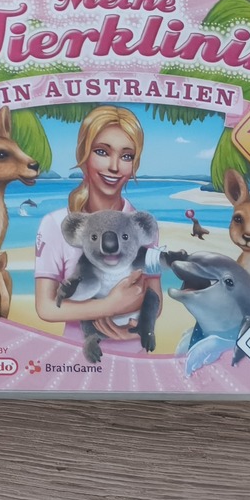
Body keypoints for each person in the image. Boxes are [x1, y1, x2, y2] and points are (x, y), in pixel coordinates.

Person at [33, 106, 162, 352]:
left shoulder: (141, 225)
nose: (114, 166)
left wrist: (138, 327)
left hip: (134, 353)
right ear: (83, 153)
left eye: (127, 156)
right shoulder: (54, 224)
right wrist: (110, 306)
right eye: (102, 152)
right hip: (76, 356)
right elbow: (45, 308)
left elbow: (154, 297)